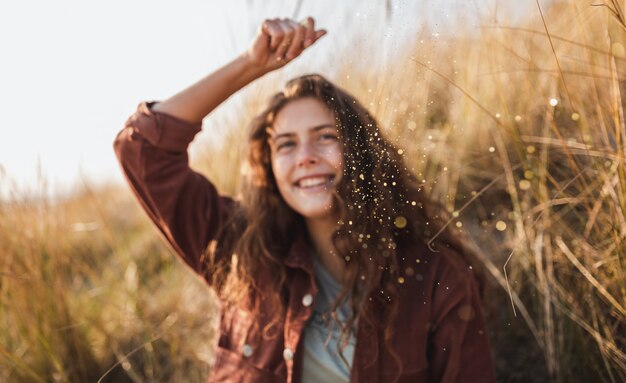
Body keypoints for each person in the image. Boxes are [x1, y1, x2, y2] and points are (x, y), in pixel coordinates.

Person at [114, 16, 496, 383]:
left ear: (359, 150)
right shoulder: (241, 249)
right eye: (286, 144)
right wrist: (251, 65)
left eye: (325, 136)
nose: (305, 156)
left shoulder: (436, 279)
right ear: (270, 165)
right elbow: (141, 149)